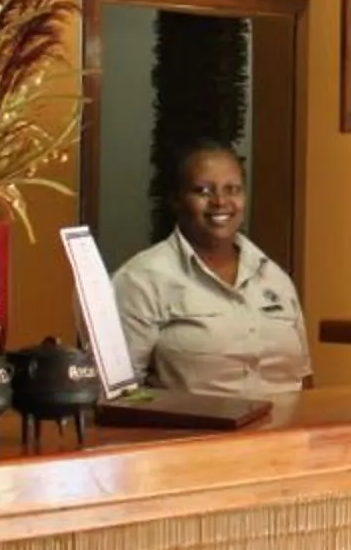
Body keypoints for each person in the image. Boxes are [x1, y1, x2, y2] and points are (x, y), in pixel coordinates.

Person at [110, 141, 312, 399]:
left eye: (233, 189)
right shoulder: (141, 279)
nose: (220, 202)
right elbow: (120, 396)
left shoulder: (274, 277)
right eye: (203, 191)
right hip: (195, 435)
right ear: (176, 200)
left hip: (287, 434)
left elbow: (304, 380)